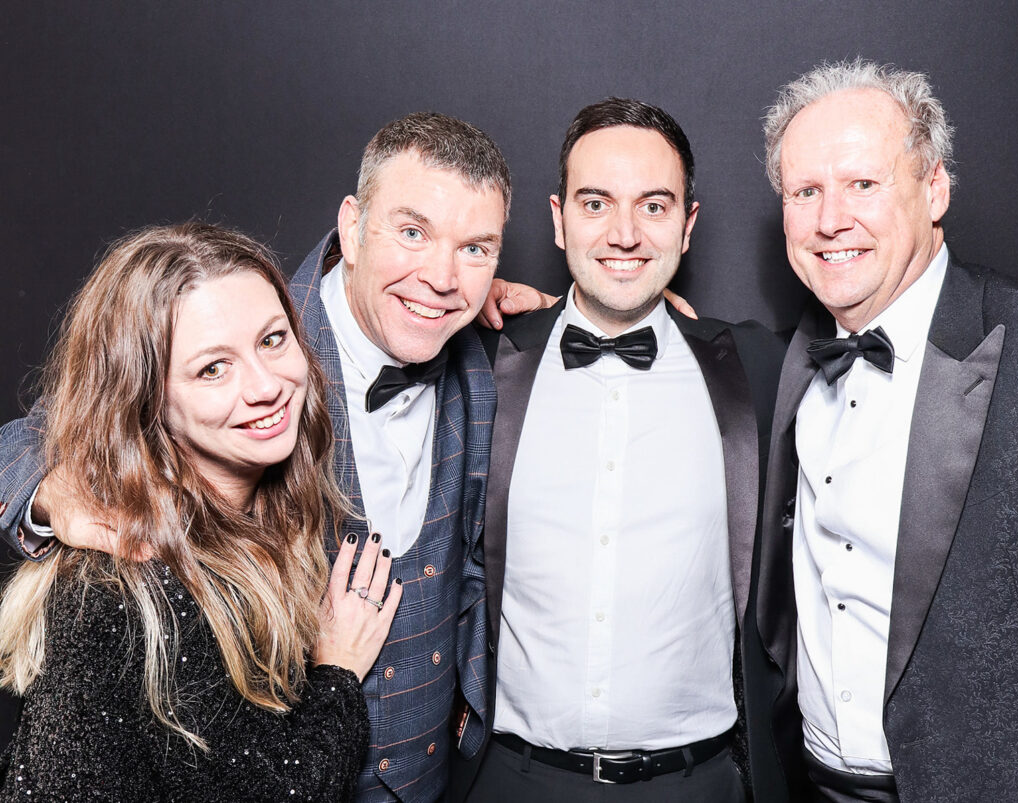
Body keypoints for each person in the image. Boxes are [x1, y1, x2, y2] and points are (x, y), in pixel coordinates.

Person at [0, 112, 511, 802]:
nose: (443, 276)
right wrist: (53, 497)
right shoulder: (253, 315)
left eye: (476, 248)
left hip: (435, 776)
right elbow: (46, 433)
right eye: (413, 232)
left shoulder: (492, 358)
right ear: (353, 226)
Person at [454, 98, 785, 801]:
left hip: (699, 783)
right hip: (511, 780)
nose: (625, 233)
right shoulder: (484, 359)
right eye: (596, 202)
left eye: (655, 206)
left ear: (688, 226)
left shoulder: (757, 368)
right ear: (558, 217)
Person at [0, 223, 401, 801]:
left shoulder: (254, 523)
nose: (267, 386)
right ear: (144, 398)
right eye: (213, 368)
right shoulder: (129, 587)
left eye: (272, 340)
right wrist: (336, 675)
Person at [746, 60, 1018, 802]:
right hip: (808, 782)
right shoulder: (787, 360)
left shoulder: (1016, 345)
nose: (829, 219)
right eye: (806, 192)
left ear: (934, 188)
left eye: (862, 184)